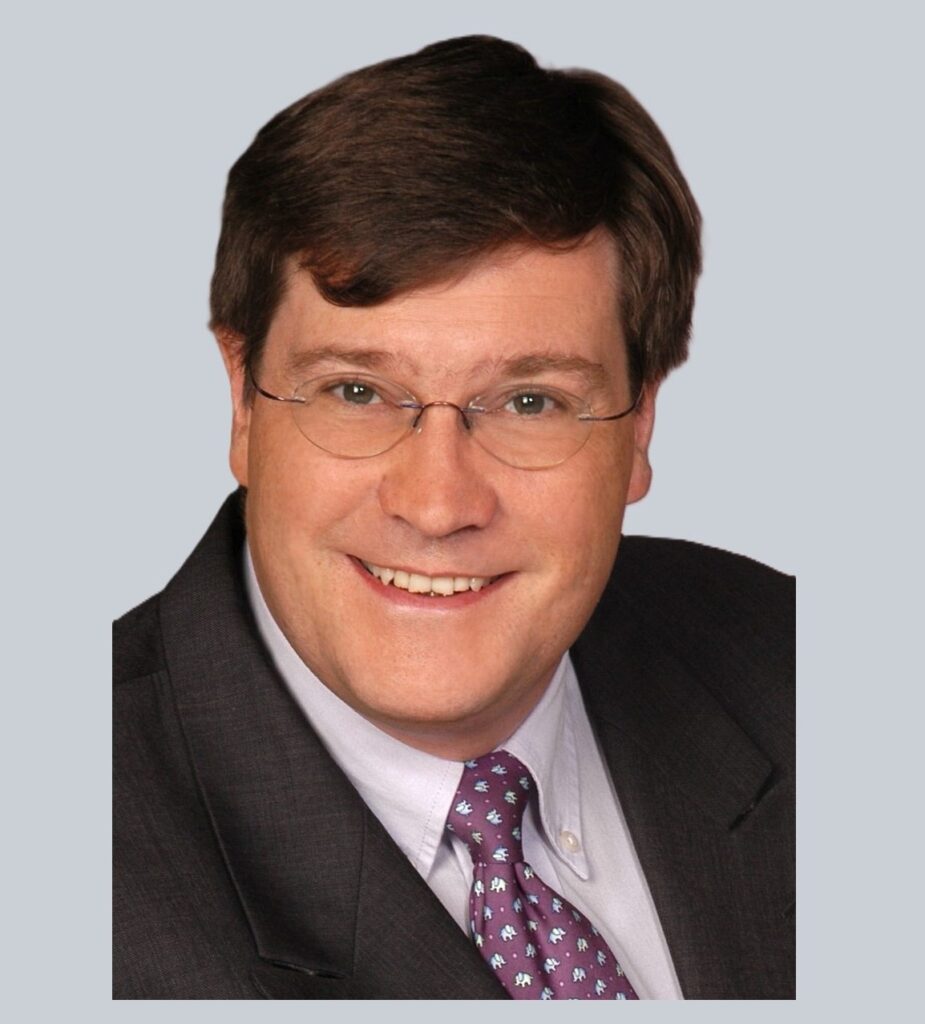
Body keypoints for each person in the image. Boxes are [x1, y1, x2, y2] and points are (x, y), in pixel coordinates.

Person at [113, 35, 794, 1000]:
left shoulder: (795, 663)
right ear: (242, 402)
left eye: (529, 402)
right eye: (356, 391)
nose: (437, 506)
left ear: (639, 421)